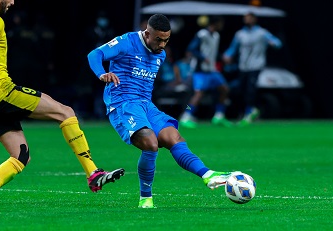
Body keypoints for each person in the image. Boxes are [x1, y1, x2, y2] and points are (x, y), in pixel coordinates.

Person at [0, 0, 125, 212]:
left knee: (21, 156)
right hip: (2, 92)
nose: (13, 1)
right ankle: (93, 173)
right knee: (66, 112)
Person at [87, 14, 238, 208]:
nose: (162, 44)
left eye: (166, 40)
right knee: (150, 143)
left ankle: (208, 175)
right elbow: (94, 54)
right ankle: (145, 199)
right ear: (147, 33)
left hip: (146, 104)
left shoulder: (161, 53)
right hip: (123, 103)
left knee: (173, 137)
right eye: (158, 39)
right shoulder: (127, 41)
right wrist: (102, 74)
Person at [223, 12, 282, 126]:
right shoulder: (240, 34)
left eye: (249, 18)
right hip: (243, 67)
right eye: (245, 18)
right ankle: (246, 112)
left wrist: (273, 43)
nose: (247, 20)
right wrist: (227, 55)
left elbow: (277, 43)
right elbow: (233, 48)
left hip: (255, 66)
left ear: (254, 19)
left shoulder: (262, 33)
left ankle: (249, 113)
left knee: (250, 90)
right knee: (240, 90)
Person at [179, 15, 233, 128]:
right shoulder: (202, 34)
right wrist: (202, 57)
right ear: (215, 23)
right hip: (200, 71)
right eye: (220, 23)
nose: (222, 26)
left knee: (224, 89)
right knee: (198, 95)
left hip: (212, 70)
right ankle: (186, 115)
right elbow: (191, 49)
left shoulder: (217, 36)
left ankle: (219, 116)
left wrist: (222, 58)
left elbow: (212, 53)